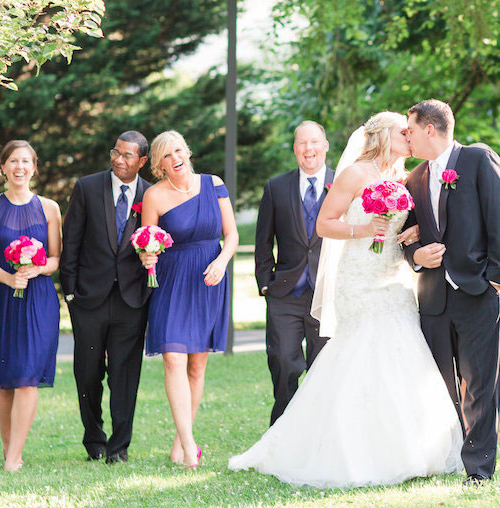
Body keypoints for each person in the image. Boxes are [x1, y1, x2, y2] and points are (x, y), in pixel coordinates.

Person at [229, 112, 462, 488]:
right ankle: (349, 449)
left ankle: (409, 448)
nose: (409, 136)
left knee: (401, 353)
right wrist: (364, 228)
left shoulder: (404, 178)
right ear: (383, 136)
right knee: (361, 353)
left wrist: (413, 230)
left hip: (394, 278)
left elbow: (410, 225)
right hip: (359, 277)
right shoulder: (355, 174)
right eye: (402, 132)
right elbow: (325, 223)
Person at [403, 99, 500, 485]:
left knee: (480, 382)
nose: (408, 136)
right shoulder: (414, 178)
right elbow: (408, 234)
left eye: (411, 130)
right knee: (440, 383)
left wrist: (496, 280)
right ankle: (448, 453)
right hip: (433, 297)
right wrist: (416, 255)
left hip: (477, 290)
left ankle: (479, 468)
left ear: (430, 130)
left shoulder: (478, 160)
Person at [139, 130, 237, 468]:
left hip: (209, 279)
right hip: (172, 281)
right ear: (159, 164)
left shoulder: (214, 184)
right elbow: (145, 241)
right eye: (166, 155)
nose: (174, 158)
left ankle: (180, 442)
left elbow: (232, 234)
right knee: (173, 359)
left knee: (197, 365)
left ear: (187, 152)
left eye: (178, 150)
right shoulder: (154, 196)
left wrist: (222, 262)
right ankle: (191, 445)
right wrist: (146, 257)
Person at [60, 131, 152, 463]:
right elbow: (71, 240)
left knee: (125, 375)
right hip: (88, 297)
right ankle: (94, 438)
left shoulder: (151, 194)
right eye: (115, 152)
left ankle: (119, 446)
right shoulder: (87, 187)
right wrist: (70, 292)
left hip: (132, 299)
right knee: (87, 372)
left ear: (142, 161)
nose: (118, 159)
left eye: (127, 155)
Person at [0, 140, 62, 472]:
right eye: (13, 161)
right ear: (3, 168)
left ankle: (14, 457)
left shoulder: (50, 208)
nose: (20, 167)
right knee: (4, 380)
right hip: (1, 297)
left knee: (27, 377)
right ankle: (7, 445)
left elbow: (56, 258)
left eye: (26, 161)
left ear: (35, 167)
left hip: (39, 299)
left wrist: (36, 268)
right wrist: (10, 279)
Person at [254, 121, 333, 424]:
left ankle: (317, 430)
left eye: (314, 142)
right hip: (285, 293)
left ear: (325, 145)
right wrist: (265, 285)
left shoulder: (342, 184)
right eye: (302, 143)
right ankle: (282, 429)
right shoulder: (277, 187)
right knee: (284, 362)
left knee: (322, 366)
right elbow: (263, 241)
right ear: (295, 149)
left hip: (326, 293)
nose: (308, 149)